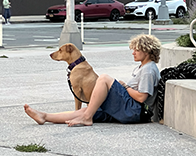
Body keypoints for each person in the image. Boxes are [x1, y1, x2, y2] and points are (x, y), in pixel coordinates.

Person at [24, 34, 161, 127]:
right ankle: (44, 116)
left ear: (147, 51)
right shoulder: (144, 67)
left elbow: (142, 98)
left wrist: (125, 87)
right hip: (129, 110)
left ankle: (87, 118)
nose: (133, 52)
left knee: (104, 78)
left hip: (135, 111)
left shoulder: (148, 70)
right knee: (87, 110)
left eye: (137, 50)